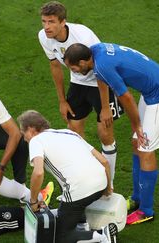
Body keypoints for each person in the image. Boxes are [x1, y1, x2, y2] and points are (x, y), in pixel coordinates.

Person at [63, 43, 159, 225]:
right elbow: (101, 79)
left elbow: (126, 97)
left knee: (145, 147)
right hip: (151, 92)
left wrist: (137, 126)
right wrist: (104, 107)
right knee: (136, 144)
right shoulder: (96, 51)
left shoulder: (103, 66)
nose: (74, 71)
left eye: (74, 67)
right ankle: (136, 198)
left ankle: (146, 211)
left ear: (85, 61)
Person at [38, 1, 122, 188]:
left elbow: (102, 68)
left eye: (51, 22)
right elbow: (55, 66)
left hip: (102, 81)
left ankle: (110, 182)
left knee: (105, 133)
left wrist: (106, 107)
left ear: (63, 22)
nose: (46, 27)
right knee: (74, 132)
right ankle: (87, 180)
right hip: (78, 83)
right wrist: (62, 101)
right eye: (44, 21)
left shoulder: (83, 36)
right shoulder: (44, 37)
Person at [17, 110, 118, 243]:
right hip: (101, 183)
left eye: (23, 134)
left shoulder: (36, 140)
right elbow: (103, 161)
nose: (24, 139)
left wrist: (34, 201)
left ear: (30, 129)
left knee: (62, 237)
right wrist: (108, 187)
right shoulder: (69, 132)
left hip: (80, 190)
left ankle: (102, 235)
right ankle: (82, 224)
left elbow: (38, 172)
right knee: (68, 187)